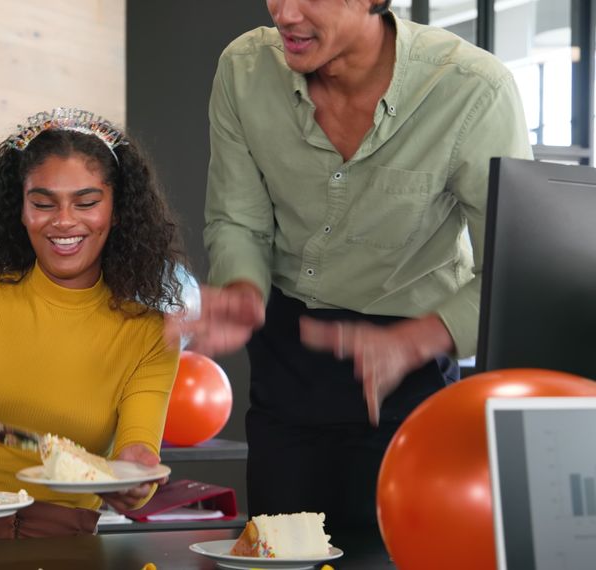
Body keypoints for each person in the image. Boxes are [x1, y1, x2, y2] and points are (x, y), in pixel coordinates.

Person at [176, 0, 533, 529]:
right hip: (287, 355)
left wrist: (412, 342)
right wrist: (244, 293)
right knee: (281, 552)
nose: (285, 13)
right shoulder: (244, 68)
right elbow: (238, 221)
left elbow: (514, 272)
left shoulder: (473, 89)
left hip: (410, 362)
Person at [0, 108, 185, 539]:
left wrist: (134, 477)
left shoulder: (151, 333)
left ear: (117, 212)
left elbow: (138, 452)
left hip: (65, 541)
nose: (63, 221)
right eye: (43, 203)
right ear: (19, 211)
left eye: (87, 202)